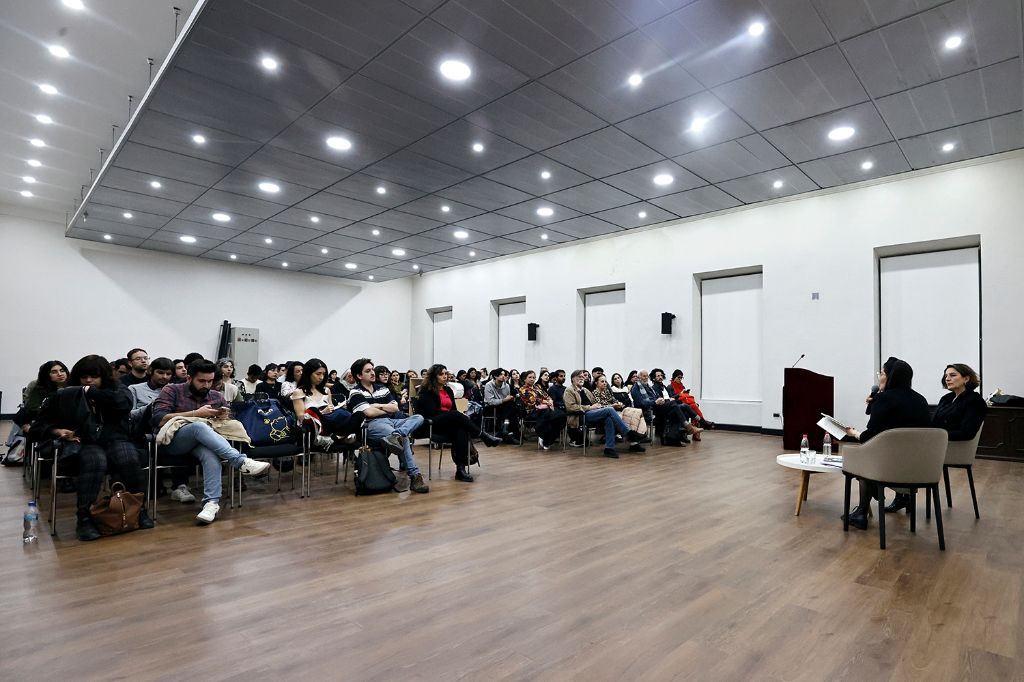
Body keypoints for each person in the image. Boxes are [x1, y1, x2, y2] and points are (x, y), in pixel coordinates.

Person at [32, 355, 153, 541]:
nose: (88, 380)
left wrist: (91, 392)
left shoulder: (117, 389)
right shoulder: (65, 394)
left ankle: (138, 509)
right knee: (95, 461)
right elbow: (38, 425)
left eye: (94, 377)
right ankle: (84, 518)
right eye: (84, 377)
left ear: (104, 377)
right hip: (84, 441)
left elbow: (124, 404)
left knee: (128, 458)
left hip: (116, 439)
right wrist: (57, 431)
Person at [152, 359, 272, 525]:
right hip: (173, 442)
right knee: (198, 426)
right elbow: (158, 419)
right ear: (189, 378)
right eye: (201, 381)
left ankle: (211, 503)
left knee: (210, 454)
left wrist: (223, 417)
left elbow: (228, 422)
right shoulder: (172, 390)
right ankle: (240, 461)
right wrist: (196, 413)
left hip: (203, 443)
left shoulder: (216, 396)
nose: (206, 385)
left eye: (210, 381)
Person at [842, 357, 930, 529]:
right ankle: (904, 498)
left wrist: (854, 433)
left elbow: (869, 437)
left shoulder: (884, 399)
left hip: (889, 470)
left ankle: (861, 512)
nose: (879, 377)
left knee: (865, 457)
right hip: (920, 469)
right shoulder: (921, 400)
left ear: (891, 377)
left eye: (882, 373)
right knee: (889, 452)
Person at [347, 358, 428, 494]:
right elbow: (368, 413)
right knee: (403, 438)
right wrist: (385, 408)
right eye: (368, 371)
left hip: (392, 421)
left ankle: (396, 434)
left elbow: (395, 408)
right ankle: (415, 476)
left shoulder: (382, 389)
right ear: (359, 376)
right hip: (372, 425)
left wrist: (377, 405)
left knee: (418, 417)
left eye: (372, 369)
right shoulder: (355, 392)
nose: (373, 373)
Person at [416, 364, 502, 482]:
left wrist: (455, 416)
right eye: (441, 374)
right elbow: (431, 411)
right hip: (432, 423)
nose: (445, 376)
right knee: (456, 415)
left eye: (446, 374)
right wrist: (452, 415)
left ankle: (460, 470)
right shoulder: (426, 391)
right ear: (433, 376)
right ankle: (483, 436)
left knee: (461, 429)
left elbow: (454, 409)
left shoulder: (448, 390)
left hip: (448, 423)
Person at [128, 357, 195, 503]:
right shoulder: (135, 389)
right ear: (151, 371)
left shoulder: (176, 390)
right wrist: (152, 406)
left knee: (186, 435)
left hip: (172, 430)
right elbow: (130, 415)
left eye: (168, 374)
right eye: (160, 372)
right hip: (144, 432)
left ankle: (180, 486)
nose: (164, 377)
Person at [564, 370, 643, 458]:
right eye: (579, 377)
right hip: (580, 416)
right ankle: (628, 433)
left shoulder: (585, 390)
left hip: (593, 413)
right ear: (573, 379)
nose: (582, 378)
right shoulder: (569, 390)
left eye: (583, 377)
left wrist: (598, 406)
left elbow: (595, 403)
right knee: (609, 410)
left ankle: (609, 448)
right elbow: (570, 407)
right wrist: (590, 407)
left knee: (608, 419)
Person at [289, 358, 363, 448]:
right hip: (314, 425)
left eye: (323, 374)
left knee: (359, 414)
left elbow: (331, 407)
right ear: (308, 374)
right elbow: (301, 417)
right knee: (312, 411)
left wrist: (334, 408)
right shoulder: (299, 392)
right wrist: (323, 412)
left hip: (331, 423)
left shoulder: (326, 390)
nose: (321, 377)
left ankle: (335, 438)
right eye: (318, 374)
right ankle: (343, 436)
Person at [519, 370, 567, 450]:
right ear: (525, 379)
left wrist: (550, 401)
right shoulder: (522, 389)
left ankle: (547, 437)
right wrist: (546, 402)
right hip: (532, 411)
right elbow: (532, 401)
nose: (532, 379)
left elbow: (547, 396)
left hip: (545, 408)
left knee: (561, 416)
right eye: (530, 377)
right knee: (548, 415)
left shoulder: (537, 387)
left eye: (534, 377)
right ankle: (544, 436)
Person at [593, 375, 646, 441]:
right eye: (602, 381)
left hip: (614, 411)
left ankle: (639, 434)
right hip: (604, 414)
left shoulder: (606, 391)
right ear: (596, 383)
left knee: (638, 411)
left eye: (605, 382)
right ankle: (634, 437)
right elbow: (599, 407)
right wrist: (613, 405)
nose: (604, 383)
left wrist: (619, 403)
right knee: (630, 415)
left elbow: (614, 400)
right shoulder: (594, 393)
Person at [483, 368, 519, 442]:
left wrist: (509, 399)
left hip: (503, 407)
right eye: (501, 374)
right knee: (511, 410)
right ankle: (514, 434)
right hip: (490, 407)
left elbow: (507, 399)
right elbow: (490, 401)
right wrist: (504, 400)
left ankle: (504, 430)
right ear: (495, 376)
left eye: (504, 375)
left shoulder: (507, 386)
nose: (503, 376)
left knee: (511, 405)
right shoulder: (488, 385)